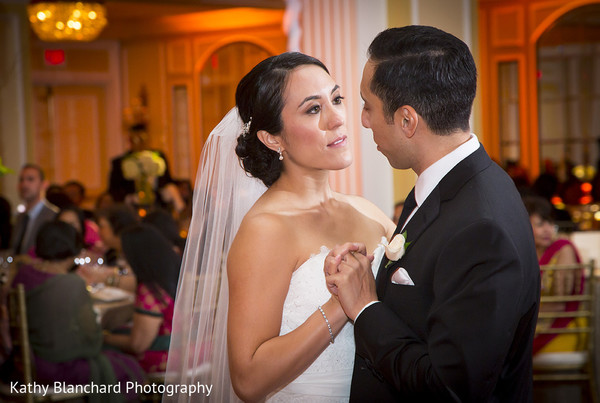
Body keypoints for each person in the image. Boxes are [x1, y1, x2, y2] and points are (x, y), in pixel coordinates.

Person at [324, 26, 540, 402]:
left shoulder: (481, 226)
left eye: (367, 105)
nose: (362, 120)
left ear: (407, 120)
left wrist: (365, 307)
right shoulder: (458, 182)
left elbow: (449, 387)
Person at [165, 52, 395, 402]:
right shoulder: (266, 229)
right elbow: (248, 380)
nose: (336, 120)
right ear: (274, 139)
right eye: (313, 109)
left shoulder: (367, 211)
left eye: (336, 99)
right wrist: (341, 305)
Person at [10, 221, 144, 402]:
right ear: (73, 250)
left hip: (23, 363)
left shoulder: (24, 274)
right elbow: (90, 339)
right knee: (127, 367)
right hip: (54, 368)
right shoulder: (70, 283)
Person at [103, 224, 180, 374]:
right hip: (190, 351)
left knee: (102, 356)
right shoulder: (173, 276)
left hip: (164, 359)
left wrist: (103, 338)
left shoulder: (151, 291)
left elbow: (138, 345)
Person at [522, 195, 584, 355]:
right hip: (536, 325)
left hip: (562, 328)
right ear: (523, 225)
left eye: (550, 222)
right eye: (540, 224)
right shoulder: (525, 254)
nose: (548, 229)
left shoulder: (563, 250)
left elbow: (560, 304)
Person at [10, 164, 59, 255]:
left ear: (44, 184)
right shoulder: (20, 217)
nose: (24, 184)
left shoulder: (53, 216)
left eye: (30, 179)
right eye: (21, 180)